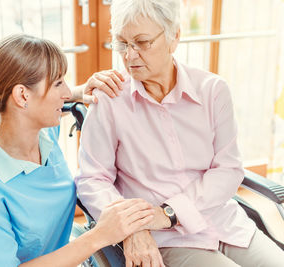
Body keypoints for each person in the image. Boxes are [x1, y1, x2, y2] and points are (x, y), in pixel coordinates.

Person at [75, 0, 284, 266]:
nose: (129, 55)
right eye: (122, 43)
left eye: (142, 42)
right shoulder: (111, 99)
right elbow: (92, 179)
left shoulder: (212, 91)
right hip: (164, 240)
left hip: (225, 224)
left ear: (175, 36)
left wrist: (171, 212)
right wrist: (130, 226)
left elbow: (228, 169)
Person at [0, 34, 155, 267]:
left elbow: (66, 100)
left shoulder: (42, 134)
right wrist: (98, 237)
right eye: (58, 83)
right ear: (22, 96)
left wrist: (83, 91)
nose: (67, 93)